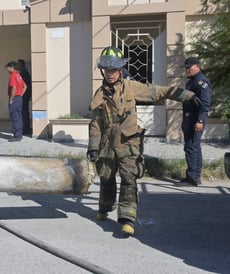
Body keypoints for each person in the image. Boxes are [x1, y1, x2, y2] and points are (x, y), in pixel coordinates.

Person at [87, 46, 201, 236]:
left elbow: (159, 91)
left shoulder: (132, 88)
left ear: (121, 70)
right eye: (107, 70)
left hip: (128, 142)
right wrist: (93, 146)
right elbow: (95, 124)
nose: (111, 74)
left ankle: (126, 219)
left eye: (114, 70)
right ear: (103, 71)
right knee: (106, 178)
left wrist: (185, 95)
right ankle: (105, 208)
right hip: (107, 143)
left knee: (128, 178)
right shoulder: (99, 95)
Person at [179, 57, 211, 186]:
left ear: (197, 66)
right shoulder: (192, 81)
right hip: (189, 118)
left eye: (189, 67)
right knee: (194, 147)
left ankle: (193, 177)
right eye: (186, 68)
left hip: (195, 118)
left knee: (192, 147)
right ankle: (194, 176)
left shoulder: (201, 82)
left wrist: (200, 120)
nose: (187, 70)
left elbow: (205, 104)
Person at [5, 61, 27, 142]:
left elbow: (13, 87)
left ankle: (16, 136)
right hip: (19, 98)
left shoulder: (13, 75)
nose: (7, 69)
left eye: (8, 67)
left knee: (15, 117)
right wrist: (20, 95)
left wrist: (11, 99)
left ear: (11, 67)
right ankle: (19, 134)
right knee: (19, 116)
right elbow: (25, 86)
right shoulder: (18, 75)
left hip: (14, 98)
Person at [17, 59, 32, 135]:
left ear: (22, 65)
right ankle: (26, 127)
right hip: (25, 95)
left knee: (24, 112)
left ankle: (26, 129)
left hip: (24, 96)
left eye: (18, 64)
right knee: (24, 112)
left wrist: (21, 95)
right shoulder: (22, 73)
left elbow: (25, 86)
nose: (17, 66)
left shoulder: (24, 73)